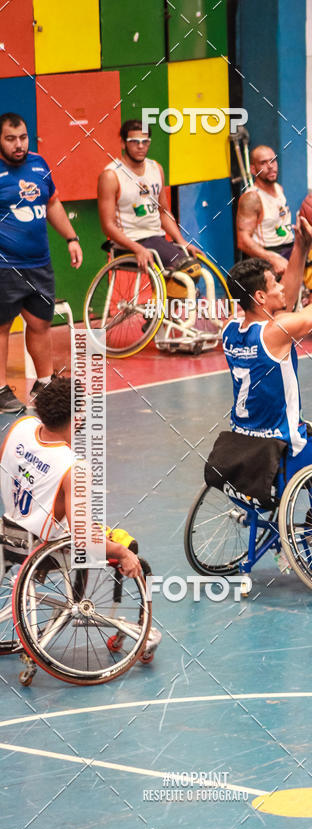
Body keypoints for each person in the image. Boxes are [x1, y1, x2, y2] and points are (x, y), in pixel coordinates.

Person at [224, 202, 312, 456]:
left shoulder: (230, 326)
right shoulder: (277, 330)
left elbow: (285, 304)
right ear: (260, 297)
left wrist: (301, 247)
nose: (282, 287)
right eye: (274, 285)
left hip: (243, 440)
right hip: (283, 441)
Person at [0, 376, 141, 577]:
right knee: (123, 542)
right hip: (40, 550)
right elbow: (83, 539)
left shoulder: (21, 426)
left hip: (7, 534)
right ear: (77, 418)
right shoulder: (75, 467)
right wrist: (121, 553)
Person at [0, 112, 83, 413]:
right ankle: (0, 390)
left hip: (39, 263)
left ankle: (44, 382)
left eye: (22, 137)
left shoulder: (39, 164)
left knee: (40, 323)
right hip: (5, 265)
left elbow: (52, 203)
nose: (18, 144)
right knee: (2, 326)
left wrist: (71, 238)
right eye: (10, 139)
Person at [97, 119, 201, 273]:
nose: (140, 146)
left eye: (145, 141)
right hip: (130, 241)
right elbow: (108, 226)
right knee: (188, 269)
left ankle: (175, 297)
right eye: (134, 141)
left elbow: (163, 212)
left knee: (195, 263)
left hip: (156, 239)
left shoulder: (156, 169)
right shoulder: (111, 176)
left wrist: (182, 241)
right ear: (123, 144)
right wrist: (136, 248)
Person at [235, 145, 294, 276]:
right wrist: (272, 258)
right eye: (263, 163)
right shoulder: (252, 198)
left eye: (273, 160)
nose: (270, 166)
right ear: (253, 169)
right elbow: (243, 241)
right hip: (268, 257)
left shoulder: (279, 189)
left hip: (288, 249)